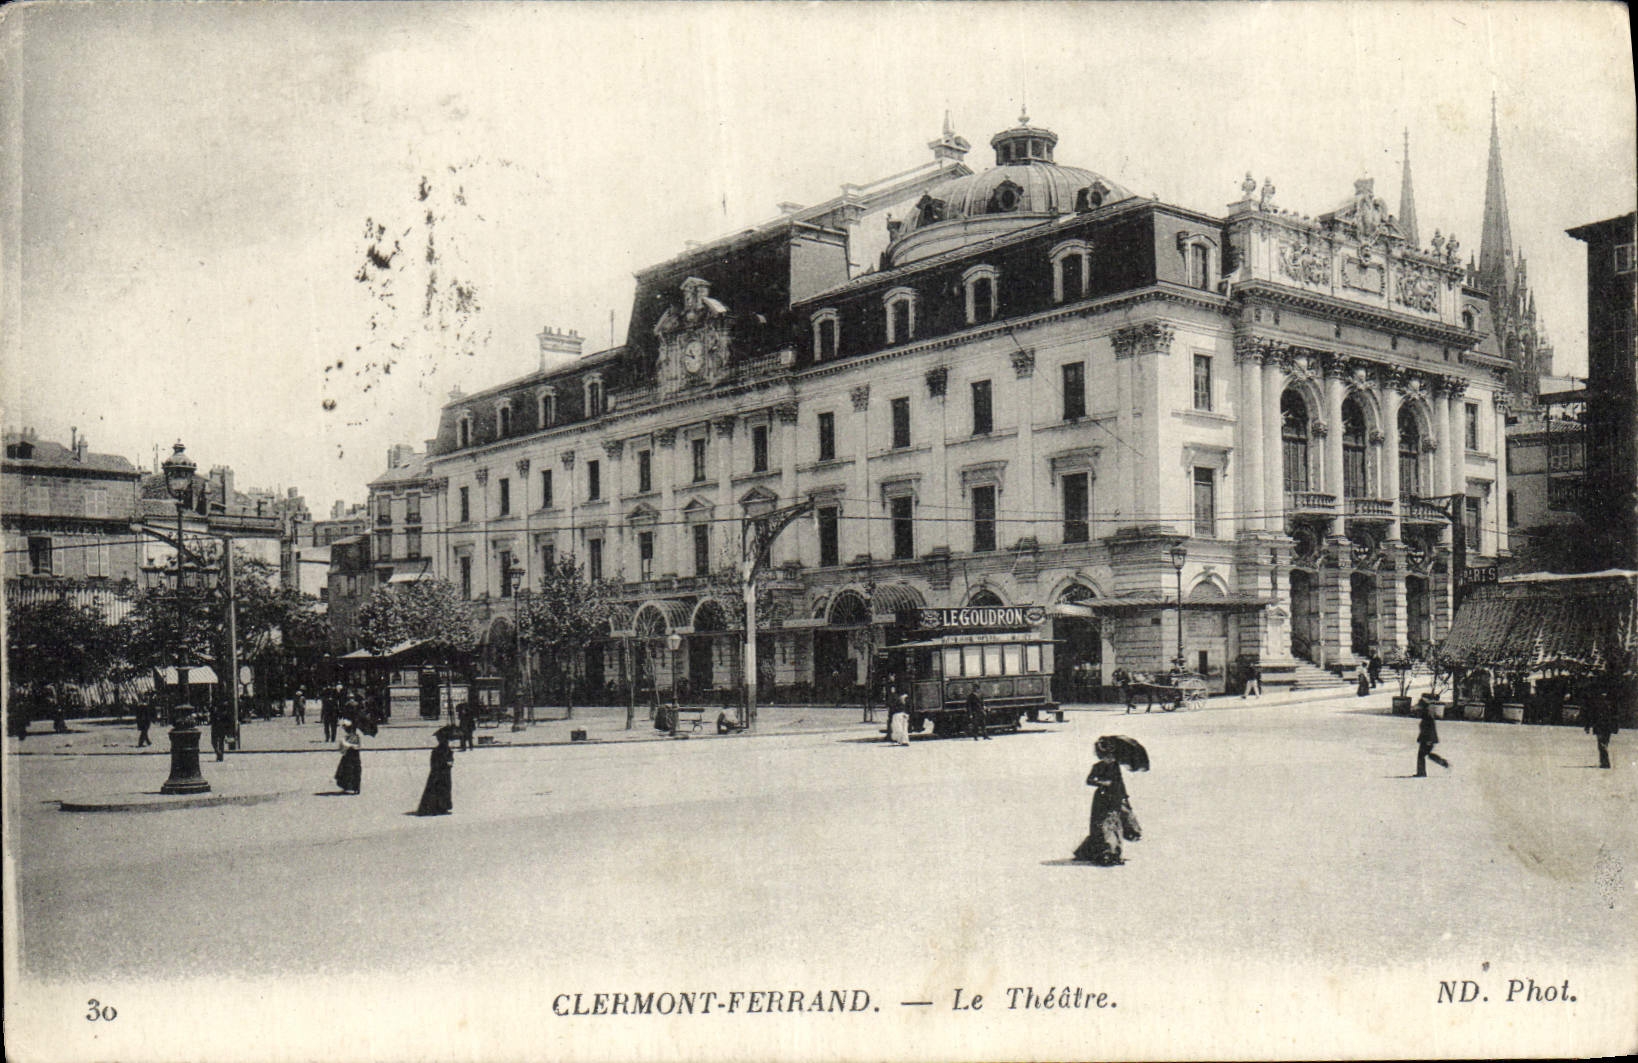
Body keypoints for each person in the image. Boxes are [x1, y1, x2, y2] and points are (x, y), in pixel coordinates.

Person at [1074, 738, 1129, 866]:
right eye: (1106, 756)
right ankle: (1104, 852)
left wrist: (1125, 798)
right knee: (1100, 825)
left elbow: (1120, 783)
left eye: (1111, 756)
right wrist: (1102, 782)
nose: (1110, 759)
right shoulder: (1097, 767)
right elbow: (1089, 780)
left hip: (1115, 798)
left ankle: (1113, 852)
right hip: (1102, 799)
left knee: (1114, 825)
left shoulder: (1115, 767)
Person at [415, 729, 455, 815]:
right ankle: (439, 807)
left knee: (440, 789)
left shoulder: (442, 749)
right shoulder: (442, 750)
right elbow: (439, 762)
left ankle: (439, 807)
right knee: (440, 789)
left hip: (440, 772)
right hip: (441, 773)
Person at [1414, 703, 1450, 776]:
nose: (1418, 712)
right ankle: (1443, 763)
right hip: (1426, 739)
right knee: (1425, 755)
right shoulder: (1426, 717)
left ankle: (1422, 772)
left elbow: (1431, 730)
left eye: (1419, 709)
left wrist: (1429, 740)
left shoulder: (1428, 717)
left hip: (1428, 740)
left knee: (1422, 755)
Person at [1586, 688, 1618, 769]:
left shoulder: (1597, 705)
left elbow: (1592, 716)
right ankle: (1603, 762)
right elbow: (1615, 717)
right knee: (1604, 744)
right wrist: (1615, 728)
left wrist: (1588, 726)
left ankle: (1605, 763)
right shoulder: (1611, 705)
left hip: (1600, 727)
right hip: (1607, 728)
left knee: (1601, 744)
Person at [334, 719, 363, 794]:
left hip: (352, 755)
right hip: (351, 755)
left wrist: (347, 744)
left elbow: (357, 746)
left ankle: (354, 787)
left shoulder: (355, 736)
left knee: (352, 771)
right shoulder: (349, 736)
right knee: (349, 771)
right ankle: (350, 786)